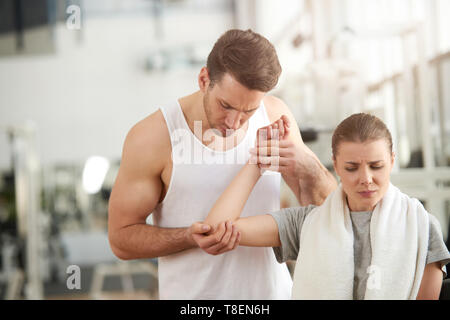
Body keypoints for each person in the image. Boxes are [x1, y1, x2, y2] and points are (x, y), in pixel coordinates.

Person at [107, 29, 337, 299]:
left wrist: (309, 167)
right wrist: (187, 237)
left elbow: (329, 214)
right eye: (225, 105)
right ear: (204, 79)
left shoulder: (274, 115)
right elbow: (121, 240)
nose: (234, 122)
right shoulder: (152, 137)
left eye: (248, 111)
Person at [203, 113, 450, 300]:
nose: (365, 178)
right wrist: (260, 160)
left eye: (376, 166)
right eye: (352, 168)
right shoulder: (307, 223)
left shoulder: (421, 225)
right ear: (335, 164)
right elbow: (215, 229)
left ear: (392, 161)